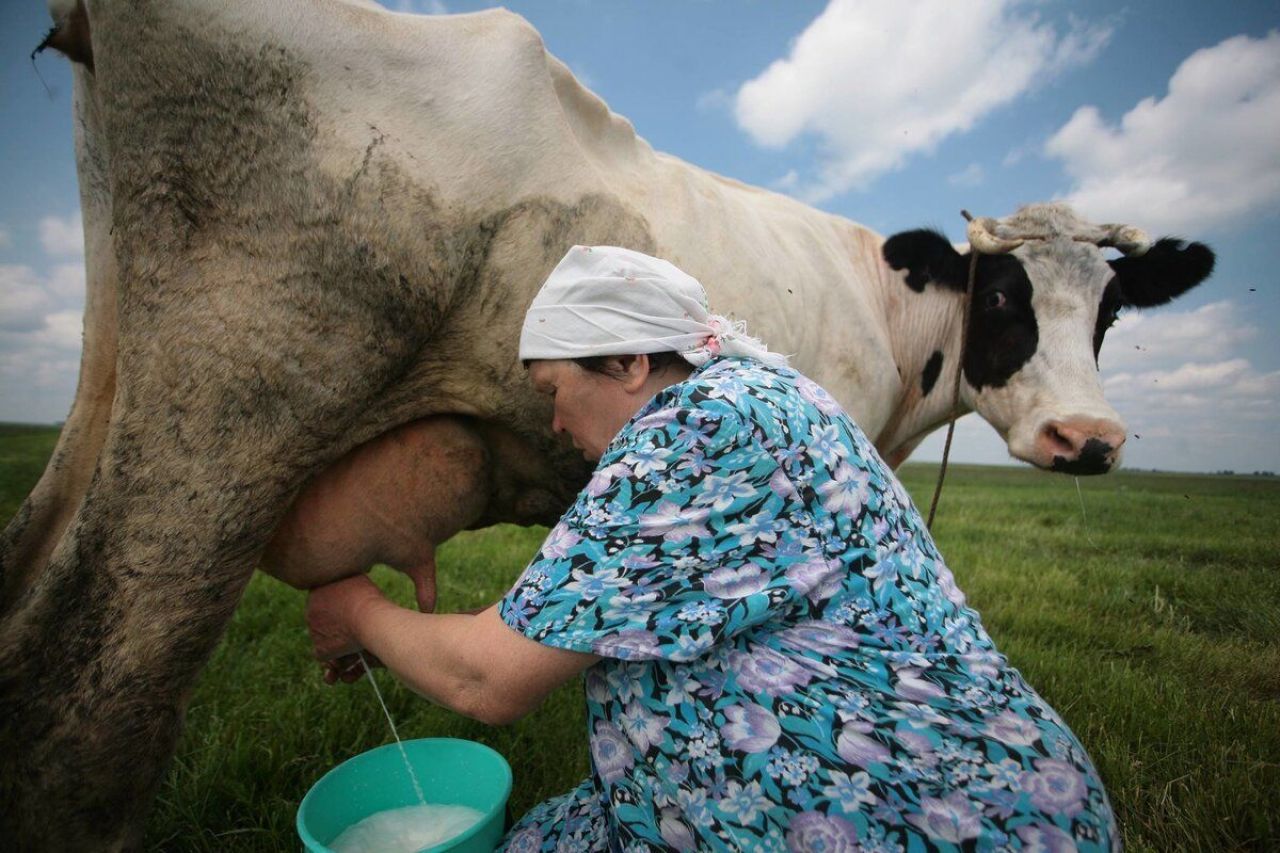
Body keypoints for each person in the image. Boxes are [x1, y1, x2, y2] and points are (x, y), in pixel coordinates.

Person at [306, 245, 1117, 851]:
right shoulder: (764, 393)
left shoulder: (692, 432)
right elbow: (592, 611)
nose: (554, 424)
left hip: (912, 818)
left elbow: (487, 676)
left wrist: (357, 609)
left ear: (627, 361)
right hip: (997, 794)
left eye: (555, 391)